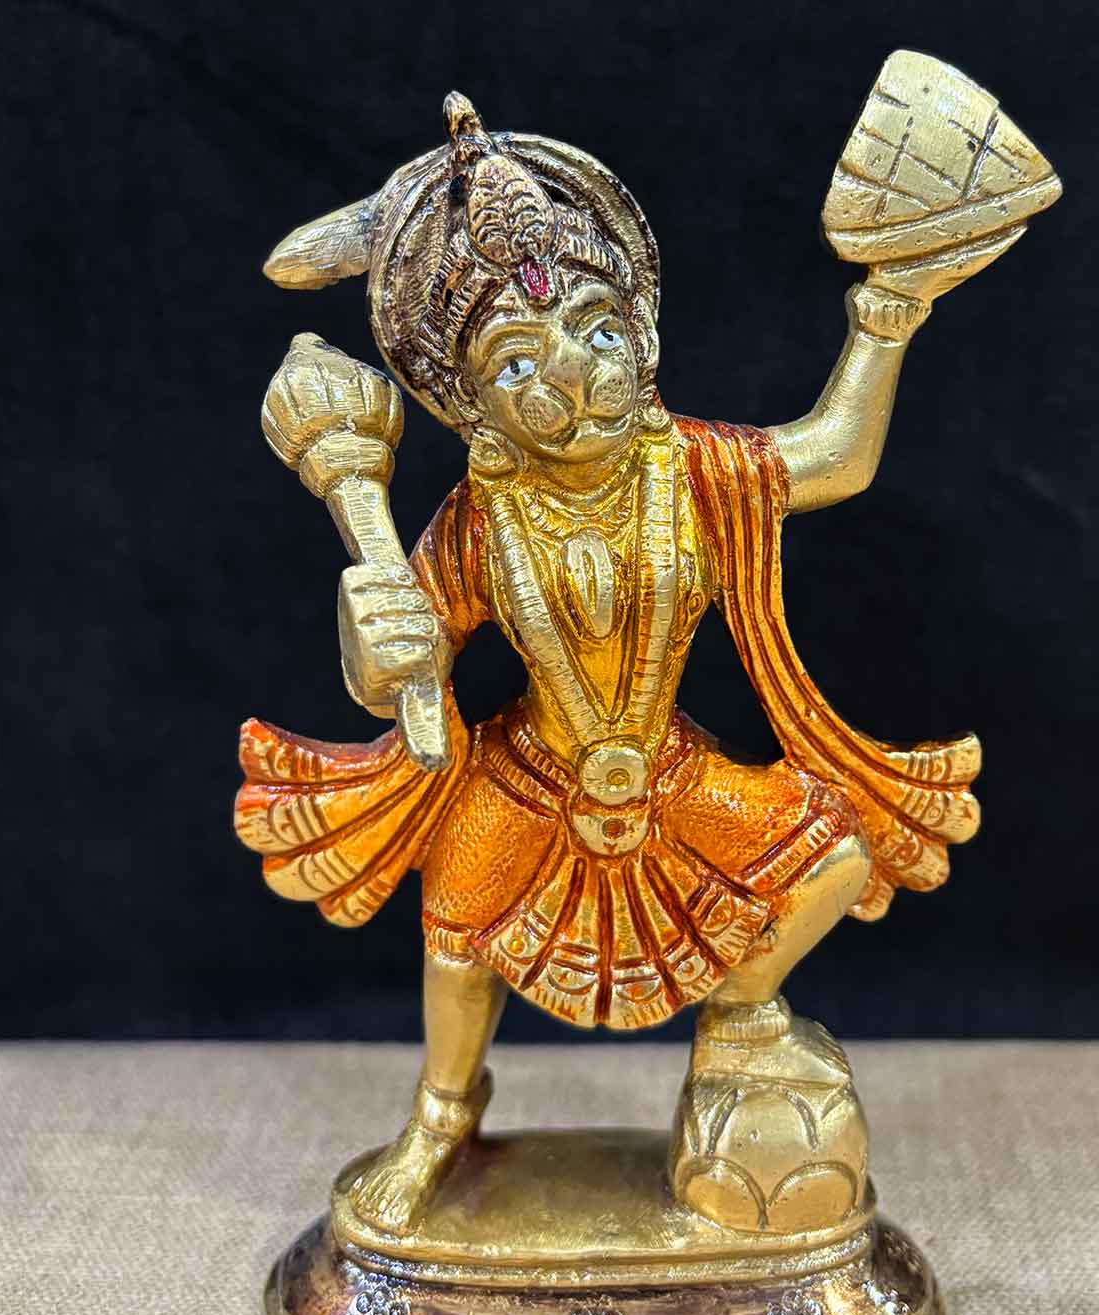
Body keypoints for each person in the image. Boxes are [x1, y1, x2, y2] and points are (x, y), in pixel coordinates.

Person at [235, 93, 980, 1236]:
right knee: (456, 927)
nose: (571, 380)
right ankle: (440, 1116)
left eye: (595, 332)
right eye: (516, 360)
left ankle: (739, 1013)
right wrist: (371, 636)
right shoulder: (483, 516)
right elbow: (401, 675)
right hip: (530, 775)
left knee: (835, 852)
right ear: (472, 410)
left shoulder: (696, 471)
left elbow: (834, 458)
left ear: (644, 337)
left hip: (666, 772)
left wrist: (890, 312)